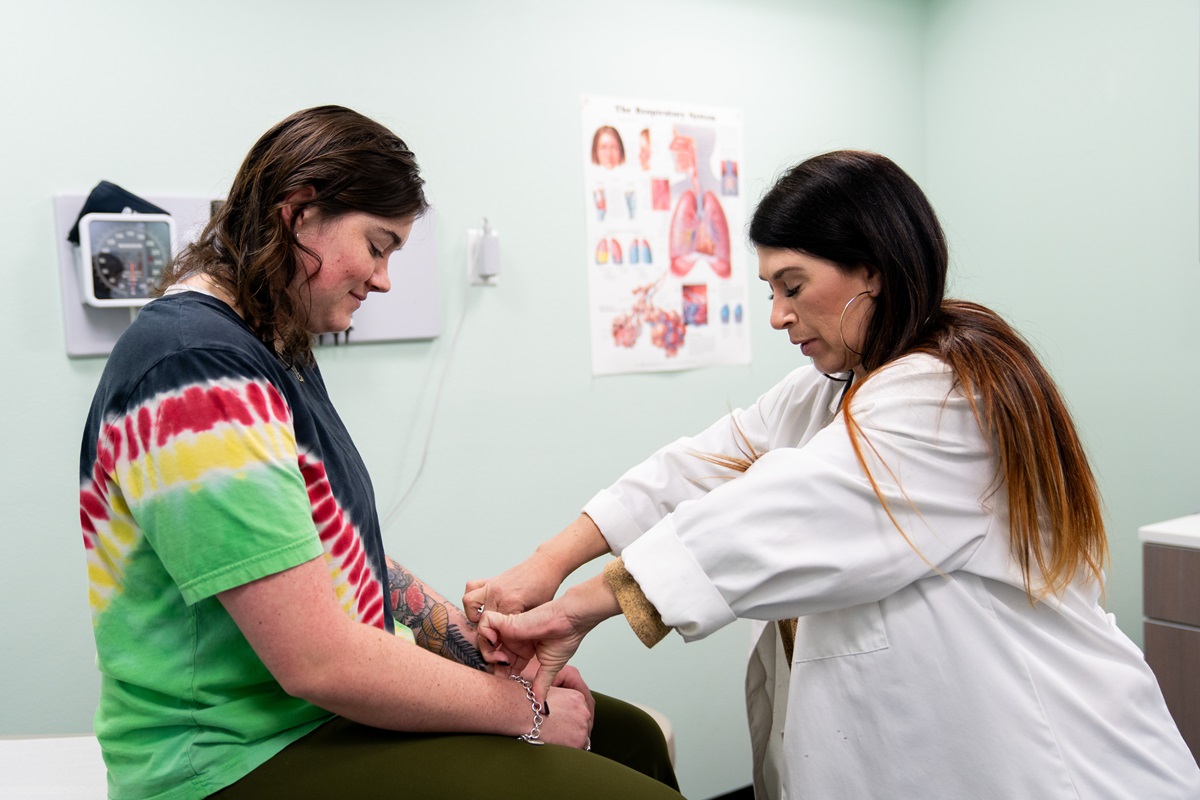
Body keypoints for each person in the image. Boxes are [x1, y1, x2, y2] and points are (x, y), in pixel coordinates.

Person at [467, 151, 1200, 799]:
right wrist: (545, 566)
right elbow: (695, 468)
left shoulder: (950, 395)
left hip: (1047, 757)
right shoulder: (836, 388)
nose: (780, 316)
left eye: (793, 284)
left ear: (872, 268)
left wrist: (570, 614)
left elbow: (769, 517)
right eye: (770, 291)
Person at [78, 105, 680, 800]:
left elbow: (323, 552)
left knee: (626, 737)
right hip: (229, 756)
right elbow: (317, 661)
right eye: (379, 244)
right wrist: (527, 710)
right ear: (299, 212)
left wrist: (468, 642)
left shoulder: (270, 344)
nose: (385, 278)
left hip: (310, 718)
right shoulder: (195, 367)